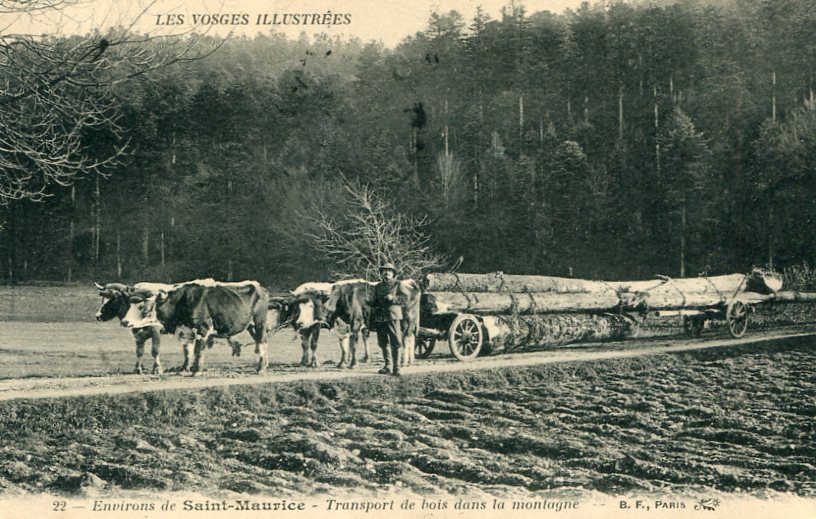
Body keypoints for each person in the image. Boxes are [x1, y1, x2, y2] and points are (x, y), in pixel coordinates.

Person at [372, 262, 403, 376]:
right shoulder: (378, 286)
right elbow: (375, 301)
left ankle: (396, 368)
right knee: (383, 342)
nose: (386, 273)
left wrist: (393, 298)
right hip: (380, 318)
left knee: (395, 342)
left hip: (392, 316)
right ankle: (387, 366)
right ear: (381, 273)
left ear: (393, 273)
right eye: (384, 271)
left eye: (389, 271)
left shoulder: (398, 284)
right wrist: (369, 303)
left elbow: (405, 299)